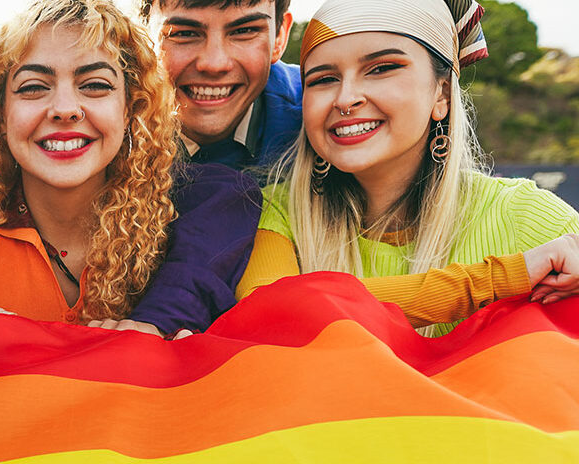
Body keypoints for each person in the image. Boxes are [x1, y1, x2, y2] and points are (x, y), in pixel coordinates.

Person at [0, 0, 259, 335]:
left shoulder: (174, 227)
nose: (64, 108)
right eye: (33, 88)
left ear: (129, 110)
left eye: (94, 85)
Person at [236, 0, 579, 332]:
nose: (345, 99)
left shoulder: (524, 216)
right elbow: (273, 311)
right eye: (323, 79)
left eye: (381, 68)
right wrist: (504, 277)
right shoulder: (275, 212)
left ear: (442, 94)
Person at [139, 0, 300, 171]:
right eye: (184, 33)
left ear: (279, 38)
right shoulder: (115, 119)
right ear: (141, 38)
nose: (214, 64)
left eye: (244, 31)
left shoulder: (315, 119)